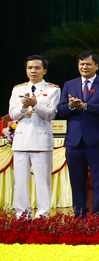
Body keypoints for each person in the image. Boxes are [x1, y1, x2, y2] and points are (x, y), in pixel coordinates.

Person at [57, 51, 99, 217]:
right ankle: (79, 212)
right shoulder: (69, 84)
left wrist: (85, 106)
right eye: (81, 64)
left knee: (98, 180)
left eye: (88, 64)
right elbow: (61, 110)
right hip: (74, 141)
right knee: (77, 180)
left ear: (96, 66)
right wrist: (70, 106)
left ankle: (98, 215)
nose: (84, 67)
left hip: (97, 140)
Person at [7, 55, 60, 218]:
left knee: (43, 181)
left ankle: (42, 215)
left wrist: (35, 104)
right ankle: (22, 215)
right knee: (20, 182)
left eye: (37, 68)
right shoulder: (18, 89)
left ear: (44, 71)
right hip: (21, 141)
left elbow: (51, 114)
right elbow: (12, 114)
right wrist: (24, 108)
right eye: (30, 68)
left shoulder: (53, 90)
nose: (33, 71)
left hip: (41, 141)